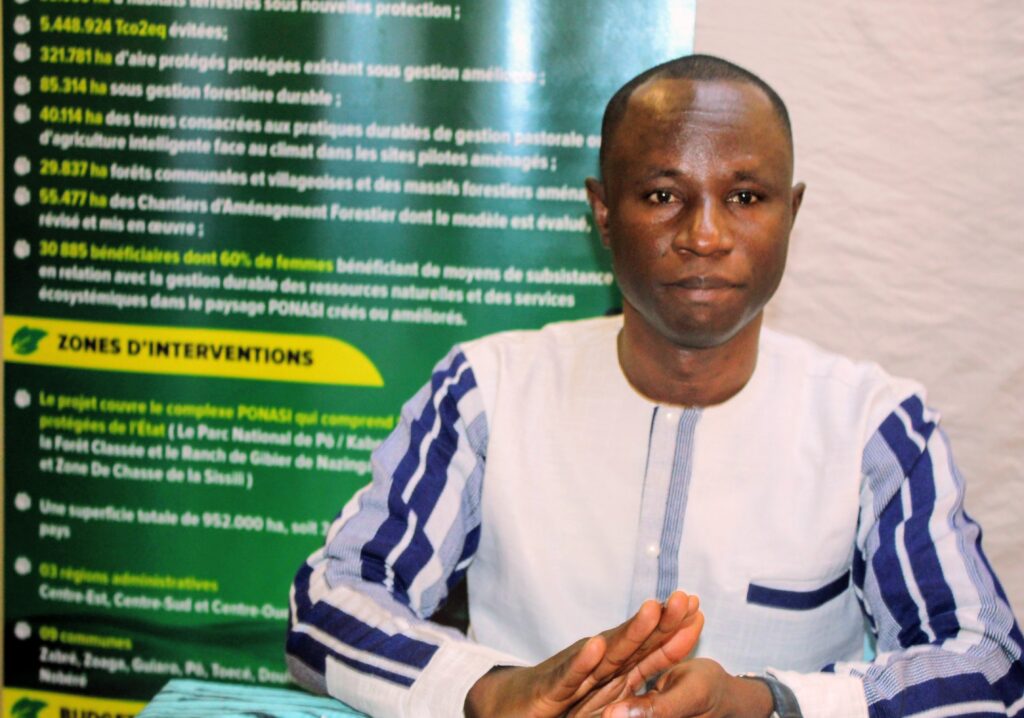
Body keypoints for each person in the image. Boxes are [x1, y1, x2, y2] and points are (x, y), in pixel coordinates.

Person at [286, 55, 1024, 717]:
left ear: (791, 214)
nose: (705, 235)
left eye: (745, 197)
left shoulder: (872, 425)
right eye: (664, 194)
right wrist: (486, 689)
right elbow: (330, 602)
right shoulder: (487, 392)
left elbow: (986, 665)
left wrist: (770, 704)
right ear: (604, 213)